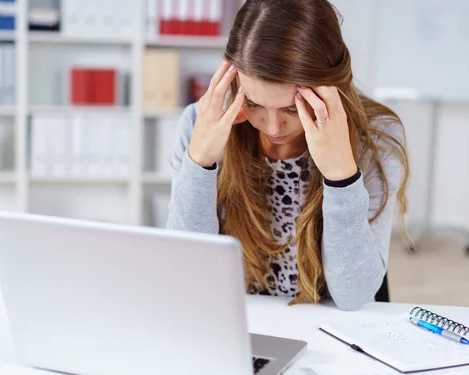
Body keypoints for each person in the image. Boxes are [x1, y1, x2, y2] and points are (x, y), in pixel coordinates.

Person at [166, 0, 410, 311]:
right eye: (253, 104)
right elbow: (186, 276)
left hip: (329, 330)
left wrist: (341, 176)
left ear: (330, 87)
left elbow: (354, 296)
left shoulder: (376, 137)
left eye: (291, 109)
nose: (272, 127)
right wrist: (199, 161)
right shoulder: (200, 123)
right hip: (236, 324)